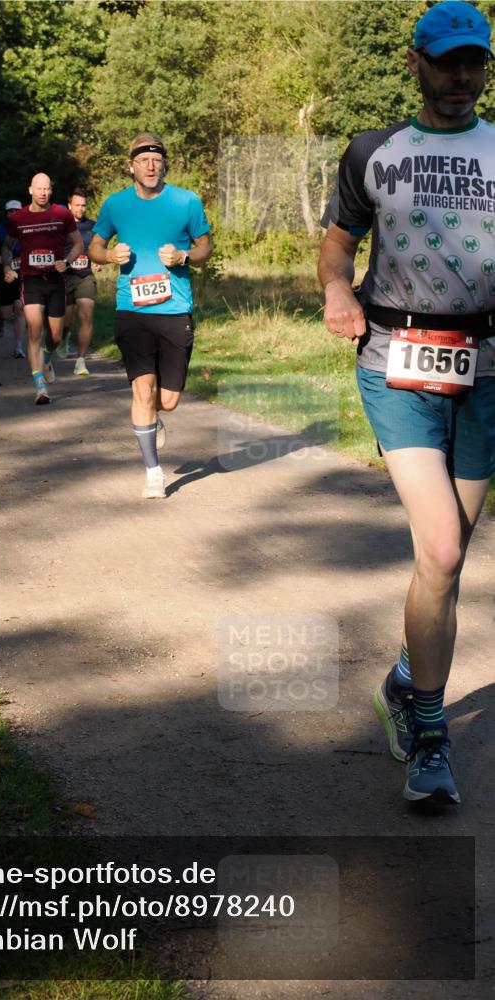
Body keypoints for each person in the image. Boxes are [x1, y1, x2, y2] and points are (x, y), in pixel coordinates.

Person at [318, 0, 494, 806]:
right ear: (416, 63)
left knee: (445, 563)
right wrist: (335, 293)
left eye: (474, 63)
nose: (461, 77)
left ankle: (403, 678)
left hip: (486, 367)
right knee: (444, 551)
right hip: (396, 361)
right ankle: (431, 737)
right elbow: (338, 243)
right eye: (447, 61)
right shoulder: (374, 152)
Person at [89, 133, 212, 497]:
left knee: (167, 400)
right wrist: (109, 256)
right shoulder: (116, 205)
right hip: (132, 310)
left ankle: (153, 419)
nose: (150, 165)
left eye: (156, 159)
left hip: (175, 309)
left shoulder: (185, 201)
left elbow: (205, 244)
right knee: (143, 390)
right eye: (143, 160)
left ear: (164, 163)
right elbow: (95, 245)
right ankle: (153, 471)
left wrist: (185, 256)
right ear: (131, 166)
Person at [2, 174, 83, 403]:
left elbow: (78, 243)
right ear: (30, 190)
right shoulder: (18, 218)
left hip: (56, 280)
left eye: (47, 189)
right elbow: (6, 247)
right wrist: (7, 265)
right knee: (35, 329)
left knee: (56, 335)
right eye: (39, 189)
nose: (44, 193)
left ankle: (47, 356)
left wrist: (66, 261)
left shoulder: (62, 214)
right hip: (31, 280)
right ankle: (40, 387)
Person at [62, 189, 99, 375]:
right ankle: (64, 337)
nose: (81, 208)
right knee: (66, 321)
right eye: (77, 205)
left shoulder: (93, 226)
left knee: (86, 315)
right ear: (69, 206)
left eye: (83, 205)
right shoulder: (61, 225)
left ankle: (81, 360)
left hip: (85, 276)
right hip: (65, 277)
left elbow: (98, 248)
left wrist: (98, 261)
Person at [0, 200, 27, 358]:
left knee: (19, 307)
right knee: (6, 313)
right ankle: (0, 319)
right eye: (10, 211)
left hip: (23, 271)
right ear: (6, 213)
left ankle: (19, 346)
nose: (14, 214)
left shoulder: (26, 227)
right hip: (5, 271)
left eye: (16, 211)